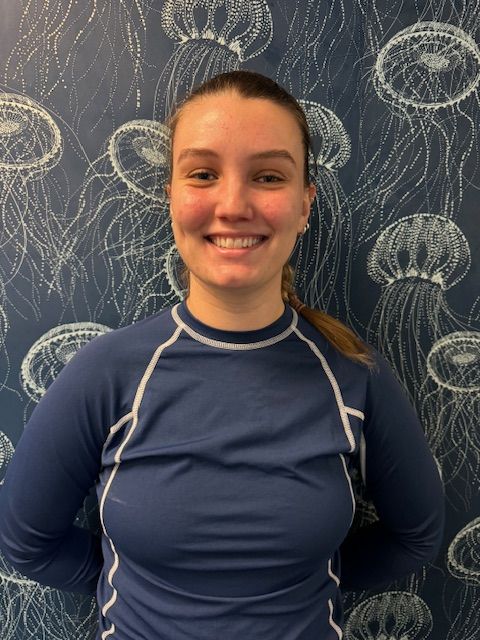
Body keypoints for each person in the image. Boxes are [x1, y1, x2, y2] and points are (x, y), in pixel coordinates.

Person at [0, 70, 444, 640]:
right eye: (203, 173)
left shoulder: (353, 377)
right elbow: (25, 542)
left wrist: (314, 580)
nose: (233, 205)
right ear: (172, 197)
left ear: (305, 205)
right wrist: (126, 585)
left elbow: (417, 536)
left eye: (268, 176)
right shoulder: (105, 374)